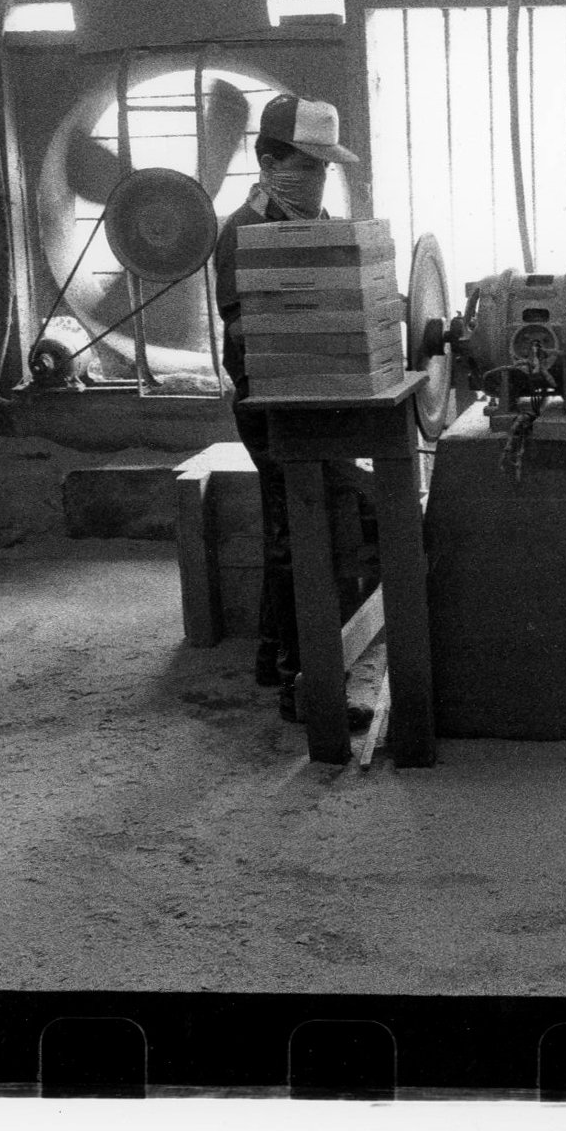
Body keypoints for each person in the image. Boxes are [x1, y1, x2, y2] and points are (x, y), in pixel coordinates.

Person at [212, 94, 379, 726]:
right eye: (304, 166)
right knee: (297, 534)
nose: (315, 178)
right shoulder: (243, 234)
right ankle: (300, 685)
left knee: (287, 523)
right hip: (273, 404)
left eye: (322, 167)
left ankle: (269, 656)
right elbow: (244, 338)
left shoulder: (313, 220)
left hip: (313, 394)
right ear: (267, 161)